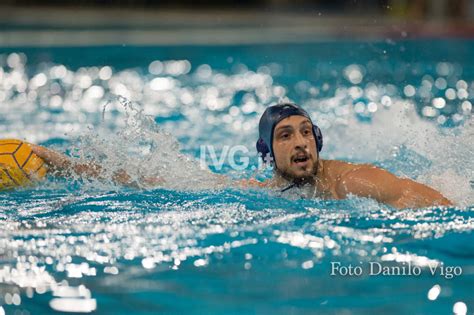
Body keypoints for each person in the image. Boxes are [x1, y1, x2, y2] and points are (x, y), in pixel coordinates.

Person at [30, 102, 453, 209]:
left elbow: (427, 202)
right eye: (286, 136)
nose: (301, 142)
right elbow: (144, 179)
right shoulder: (256, 190)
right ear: (268, 153)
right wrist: (54, 160)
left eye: (307, 132)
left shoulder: (348, 182)